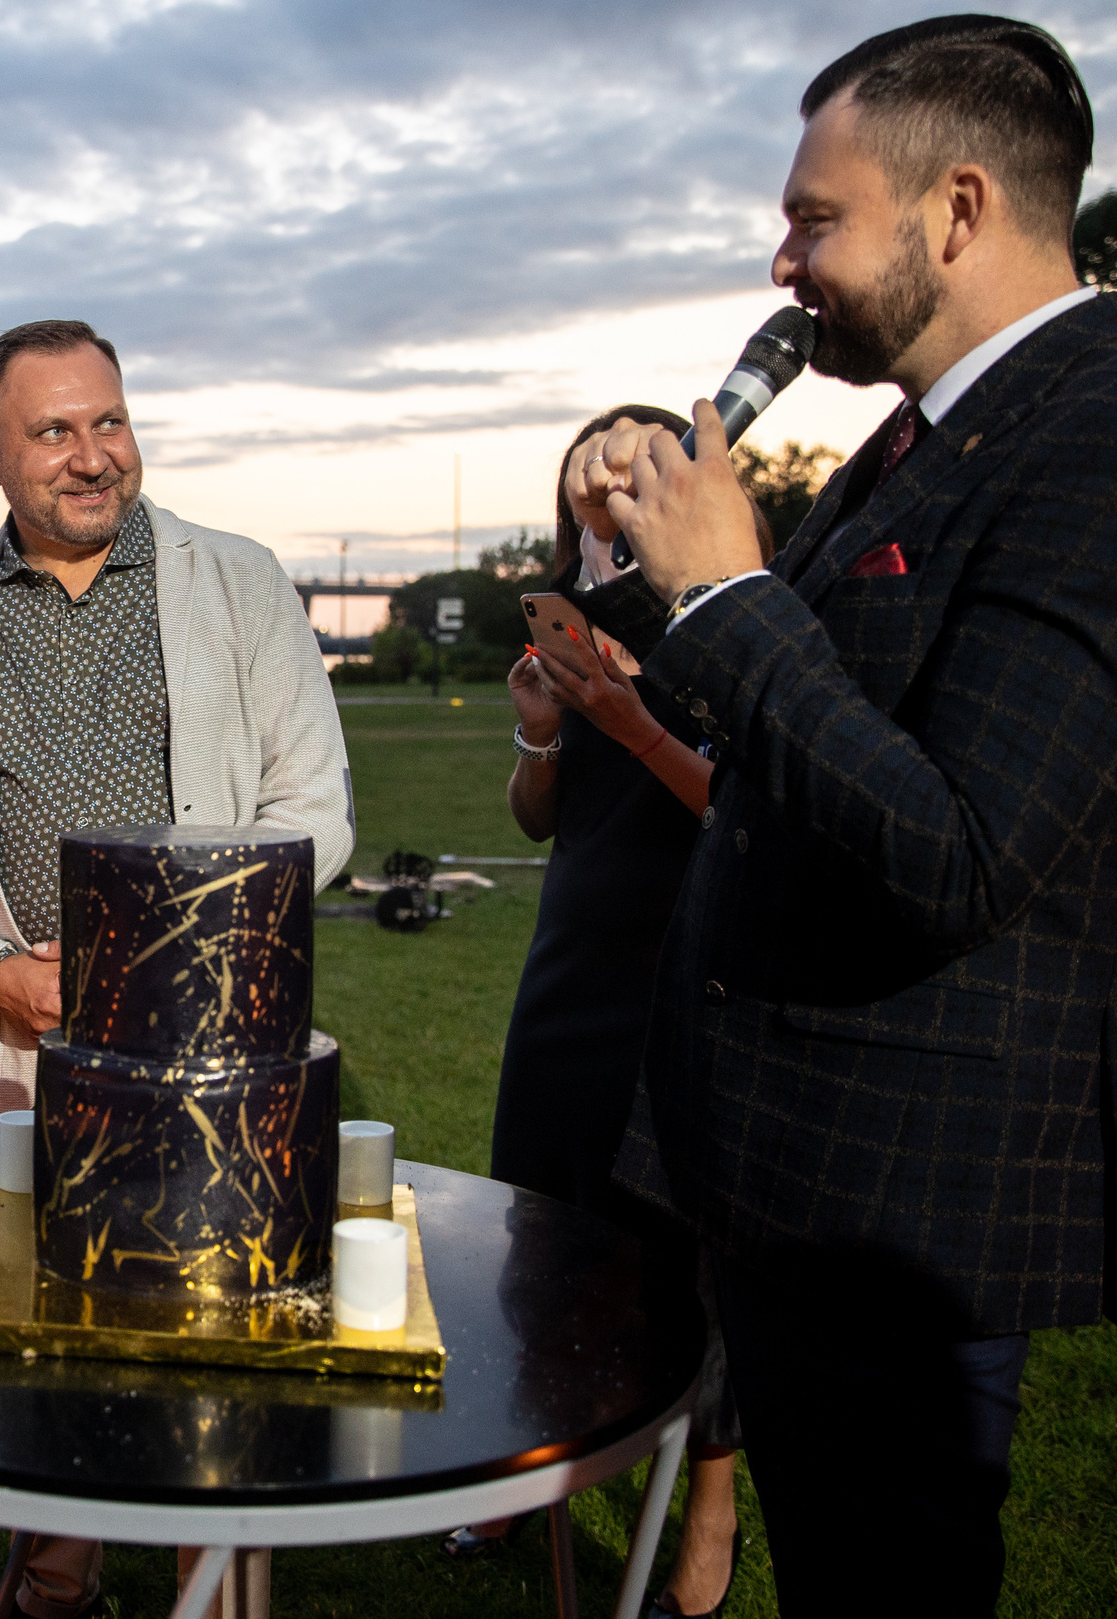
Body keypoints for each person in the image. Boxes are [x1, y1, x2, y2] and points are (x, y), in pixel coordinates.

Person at [563, 18, 1117, 1615]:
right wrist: (642, 566)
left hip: (903, 1215)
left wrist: (731, 584)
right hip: (770, 1183)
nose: (780, 257)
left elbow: (958, 848)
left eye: (813, 218)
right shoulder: (914, 440)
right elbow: (758, 725)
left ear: (957, 209)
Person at [0, 318, 354, 1619]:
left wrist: (192, 950)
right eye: (54, 430)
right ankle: (55, 1571)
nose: (94, 455)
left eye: (110, 419)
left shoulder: (238, 581)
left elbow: (321, 801)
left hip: (217, 1057)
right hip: (13, 1050)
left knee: (212, 1341)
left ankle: (211, 1583)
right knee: (42, 1337)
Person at [443, 405, 758, 1616]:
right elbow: (540, 818)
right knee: (539, 1219)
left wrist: (631, 717)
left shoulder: (723, 598)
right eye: (586, 478)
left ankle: (712, 1498)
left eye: (625, 471)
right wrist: (540, 731)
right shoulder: (571, 600)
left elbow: (751, 808)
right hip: (568, 962)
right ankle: (534, 1468)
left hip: (691, 968)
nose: (604, 495)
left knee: (687, 1248)